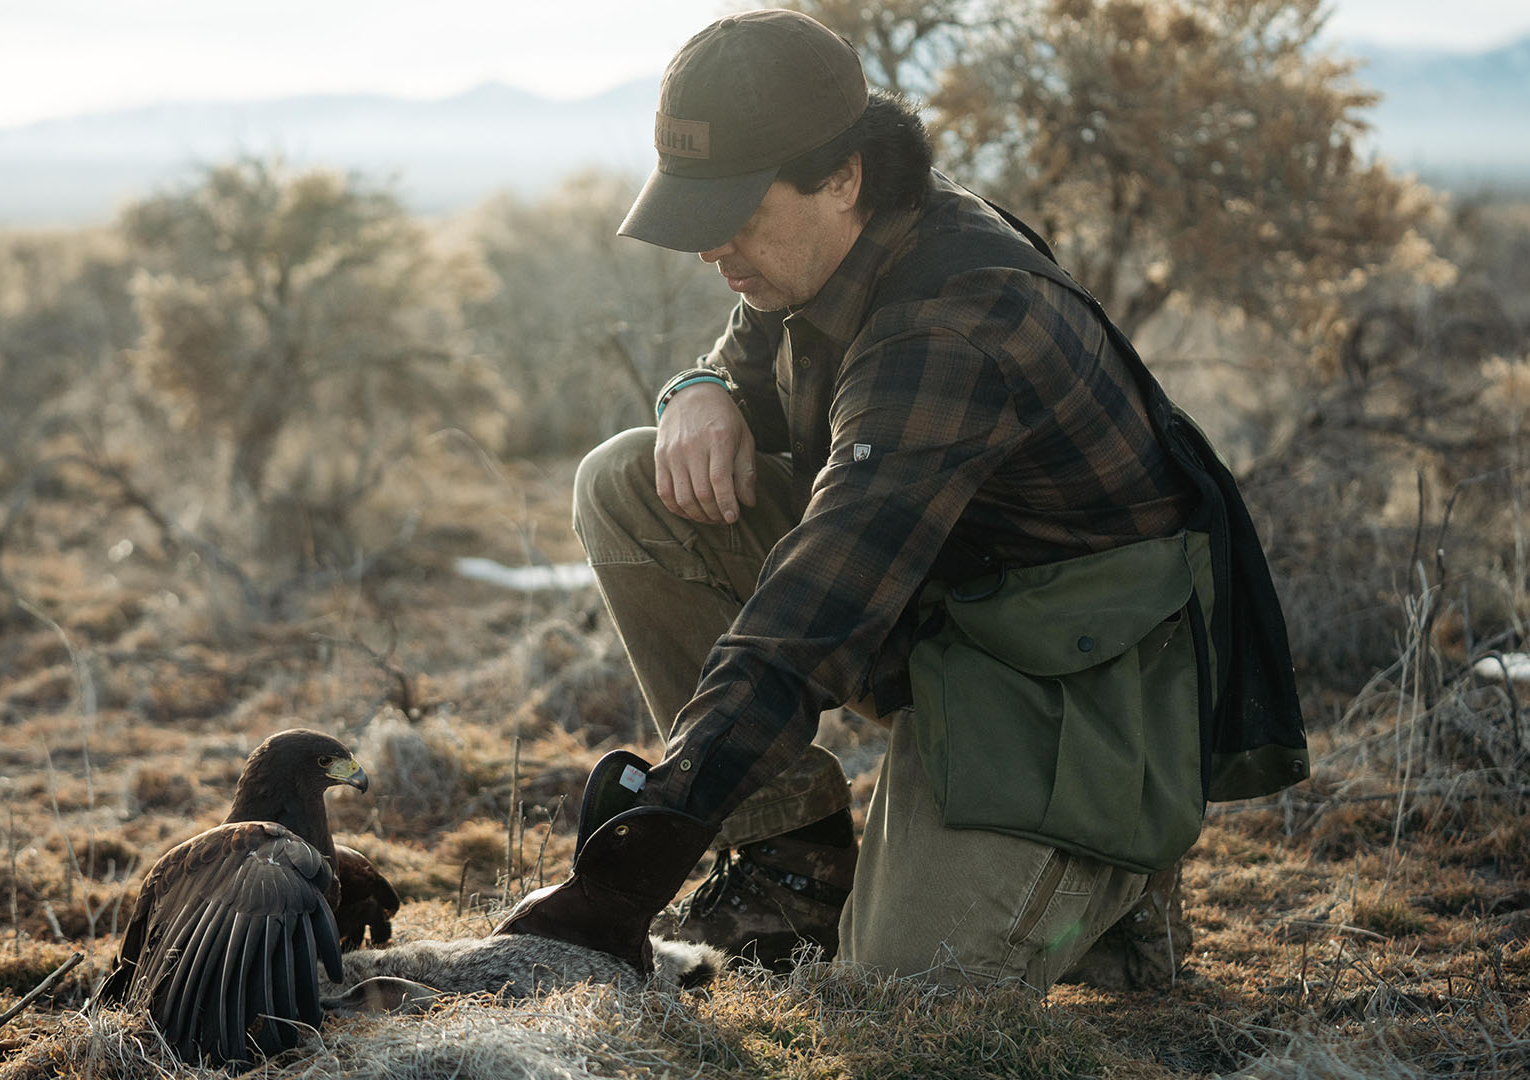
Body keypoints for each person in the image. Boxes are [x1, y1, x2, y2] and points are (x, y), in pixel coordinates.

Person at [495, 7, 1306, 990]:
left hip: (1081, 672)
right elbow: (753, 347)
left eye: (737, 211)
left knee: (895, 1006)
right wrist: (694, 391)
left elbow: (813, 615)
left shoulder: (952, 325)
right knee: (630, 479)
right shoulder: (836, 243)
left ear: (844, 176)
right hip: (948, 602)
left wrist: (642, 862)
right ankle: (795, 860)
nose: (713, 250)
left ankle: (1116, 876)